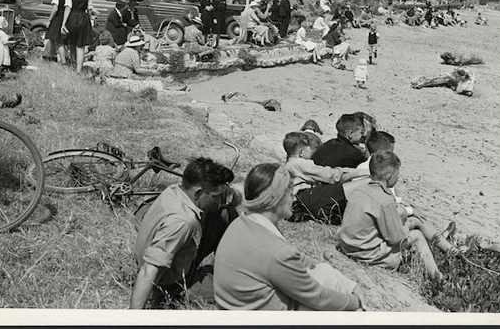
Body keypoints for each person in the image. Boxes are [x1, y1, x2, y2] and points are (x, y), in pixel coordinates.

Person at [214, 163, 367, 311]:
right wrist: (354, 302)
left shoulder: (244, 222)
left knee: (324, 271)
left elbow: (298, 260)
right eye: (290, 193)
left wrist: (349, 284)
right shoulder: (276, 252)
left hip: (238, 311)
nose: (294, 199)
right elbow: (317, 297)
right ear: (276, 200)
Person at [131, 157, 239, 309]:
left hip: (177, 256)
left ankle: (232, 265)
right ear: (199, 192)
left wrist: (231, 196)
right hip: (173, 284)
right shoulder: (183, 222)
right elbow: (148, 271)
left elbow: (227, 202)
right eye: (215, 196)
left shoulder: (176, 190)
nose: (219, 200)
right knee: (243, 289)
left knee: (225, 212)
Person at [338, 151, 460, 282]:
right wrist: (406, 228)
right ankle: (439, 279)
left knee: (412, 221)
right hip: (367, 255)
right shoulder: (384, 200)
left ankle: (451, 250)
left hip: (348, 245)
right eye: (397, 174)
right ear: (389, 176)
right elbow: (396, 239)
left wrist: (406, 224)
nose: (398, 177)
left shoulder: (359, 190)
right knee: (417, 235)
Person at [284, 132, 368, 224]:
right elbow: (332, 176)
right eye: (309, 147)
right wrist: (364, 172)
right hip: (305, 200)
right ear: (301, 152)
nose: (312, 150)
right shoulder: (301, 164)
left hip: (297, 205)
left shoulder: (287, 166)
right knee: (346, 188)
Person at [63, 0, 93, 74]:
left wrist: (63, 23)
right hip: (83, 19)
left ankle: (73, 65)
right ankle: (78, 70)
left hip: (73, 17)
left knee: (71, 43)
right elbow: (89, 10)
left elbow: (68, 8)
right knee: (80, 46)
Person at [45, 0, 72, 64]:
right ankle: (55, 57)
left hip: (58, 16)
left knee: (57, 40)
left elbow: (55, 8)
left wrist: (50, 19)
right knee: (58, 39)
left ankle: (61, 60)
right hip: (66, 15)